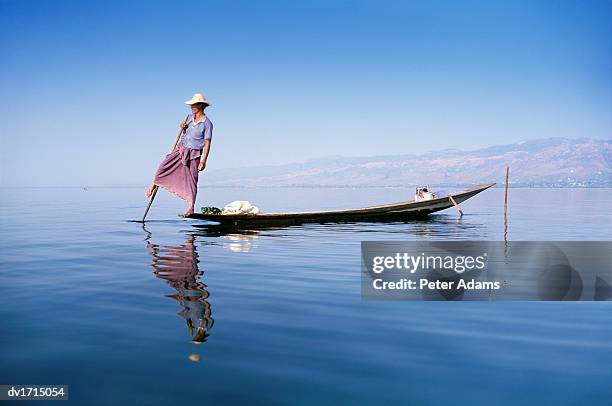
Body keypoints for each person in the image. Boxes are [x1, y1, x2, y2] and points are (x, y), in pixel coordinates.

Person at [145, 93, 213, 216]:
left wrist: (203, 160)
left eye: (194, 104)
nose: (192, 107)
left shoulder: (207, 123)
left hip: (194, 154)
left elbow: (207, 142)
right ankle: (153, 185)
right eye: (191, 105)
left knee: (192, 180)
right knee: (163, 166)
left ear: (201, 105)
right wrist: (183, 128)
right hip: (181, 149)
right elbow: (186, 134)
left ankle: (191, 206)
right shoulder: (188, 118)